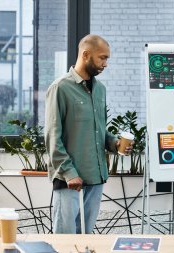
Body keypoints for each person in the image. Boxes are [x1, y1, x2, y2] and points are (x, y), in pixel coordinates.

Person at [45, 34, 132, 234]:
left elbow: (98, 129)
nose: (105, 63)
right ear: (85, 54)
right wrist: (69, 173)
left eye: (107, 58)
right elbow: (52, 136)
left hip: (95, 175)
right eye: (102, 57)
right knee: (64, 237)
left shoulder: (100, 90)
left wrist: (115, 143)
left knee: (86, 237)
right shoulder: (60, 88)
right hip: (70, 179)